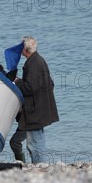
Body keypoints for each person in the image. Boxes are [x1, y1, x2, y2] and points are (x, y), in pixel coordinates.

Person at [13, 36, 59, 164]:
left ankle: (39, 166)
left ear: (25, 49)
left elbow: (29, 88)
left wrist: (17, 81)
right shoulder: (39, 60)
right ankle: (40, 165)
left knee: (34, 144)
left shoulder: (32, 64)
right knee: (37, 140)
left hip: (35, 110)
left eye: (21, 46)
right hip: (41, 108)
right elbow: (50, 84)